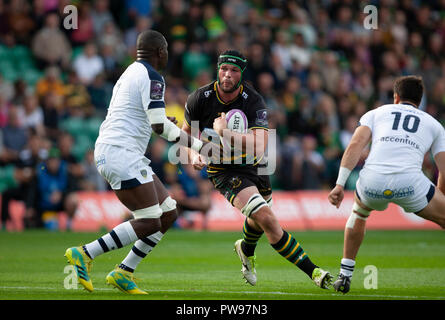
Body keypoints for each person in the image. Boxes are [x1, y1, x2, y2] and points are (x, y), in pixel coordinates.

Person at [64, 29, 210, 294]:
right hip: (121, 152)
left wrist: (164, 123)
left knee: (168, 213)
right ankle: (85, 253)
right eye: (165, 50)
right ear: (160, 52)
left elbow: (147, 118)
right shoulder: (154, 77)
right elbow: (157, 126)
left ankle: (124, 271)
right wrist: (199, 144)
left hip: (120, 150)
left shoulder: (131, 72)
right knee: (150, 220)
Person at [181, 50, 332, 288]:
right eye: (223, 69)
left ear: (241, 74)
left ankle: (245, 248)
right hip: (223, 170)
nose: (227, 75)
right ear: (217, 70)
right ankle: (315, 273)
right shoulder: (199, 98)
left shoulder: (253, 101)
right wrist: (194, 154)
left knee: (259, 219)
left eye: (233, 71)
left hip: (255, 165)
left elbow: (260, 145)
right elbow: (185, 136)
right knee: (267, 219)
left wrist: (225, 133)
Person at [328, 75, 445, 294]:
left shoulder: (375, 113)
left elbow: (355, 145)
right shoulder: (434, 124)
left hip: (372, 181)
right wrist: (438, 202)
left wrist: (339, 184)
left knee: (359, 214)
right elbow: (444, 171)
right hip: (411, 183)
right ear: (420, 101)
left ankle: (344, 275)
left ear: (396, 97)